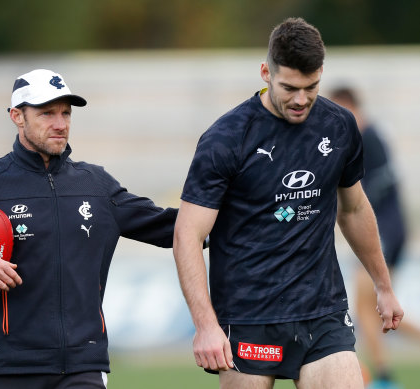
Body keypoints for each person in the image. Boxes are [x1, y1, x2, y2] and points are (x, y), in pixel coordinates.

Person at [172, 17, 404, 389]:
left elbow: (355, 208)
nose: (301, 99)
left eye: (311, 87)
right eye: (289, 87)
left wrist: (384, 285)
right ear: (266, 72)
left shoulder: (340, 126)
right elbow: (187, 234)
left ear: (322, 73)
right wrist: (205, 326)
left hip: (322, 311)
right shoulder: (226, 139)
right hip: (248, 317)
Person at [0, 68, 177, 389]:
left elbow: (172, 228)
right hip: (8, 367)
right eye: (47, 113)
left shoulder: (96, 185)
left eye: (65, 113)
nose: (60, 124)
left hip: (83, 368)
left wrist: (239, 221)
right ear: (17, 116)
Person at [330, 87, 418, 389]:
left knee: (369, 306)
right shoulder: (371, 136)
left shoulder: (365, 137)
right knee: (369, 307)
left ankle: (384, 378)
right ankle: (383, 375)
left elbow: (366, 197)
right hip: (387, 231)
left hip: (385, 233)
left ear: (350, 106)